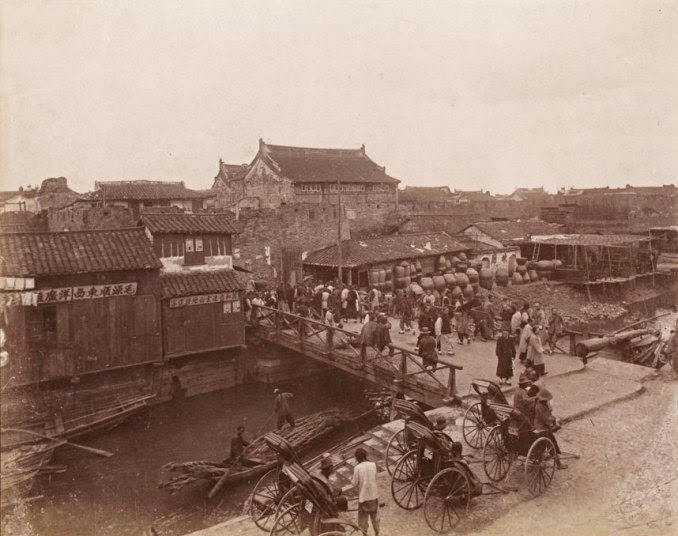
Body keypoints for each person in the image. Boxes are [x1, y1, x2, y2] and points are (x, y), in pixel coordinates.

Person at [533, 388, 568, 470]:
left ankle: (538, 458)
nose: (547, 401)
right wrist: (554, 420)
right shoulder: (541, 407)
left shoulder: (539, 404)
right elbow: (546, 419)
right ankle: (559, 464)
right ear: (544, 400)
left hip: (537, 426)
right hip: (542, 429)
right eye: (546, 400)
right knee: (553, 444)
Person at [351, 447, 380, 536]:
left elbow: (354, 483)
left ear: (357, 458)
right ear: (365, 455)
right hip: (374, 496)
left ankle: (365, 534)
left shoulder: (357, 468)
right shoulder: (373, 465)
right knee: (375, 518)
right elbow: (375, 478)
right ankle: (377, 534)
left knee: (363, 520)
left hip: (364, 498)